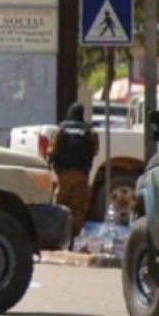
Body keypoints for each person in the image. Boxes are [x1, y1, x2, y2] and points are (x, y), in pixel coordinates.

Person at [48, 101, 100, 242]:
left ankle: (57, 233)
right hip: (81, 173)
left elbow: (52, 149)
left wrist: (50, 164)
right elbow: (95, 150)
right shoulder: (89, 130)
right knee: (78, 206)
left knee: (60, 203)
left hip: (63, 172)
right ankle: (74, 236)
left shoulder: (61, 129)